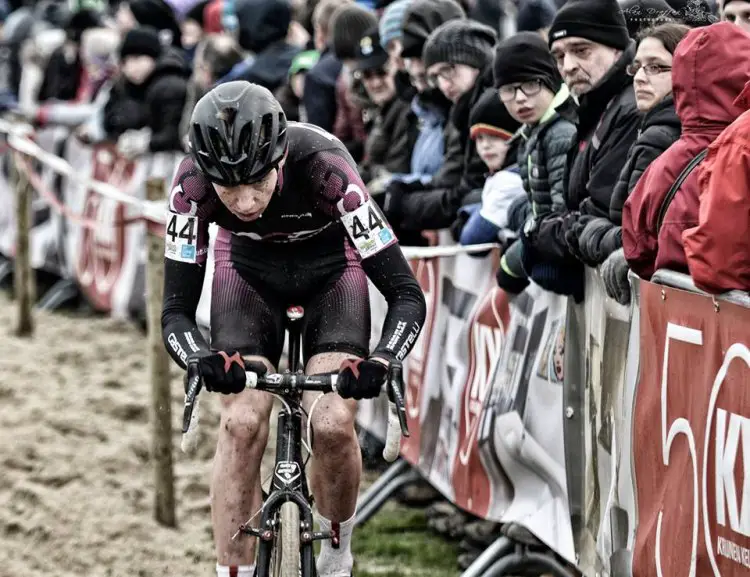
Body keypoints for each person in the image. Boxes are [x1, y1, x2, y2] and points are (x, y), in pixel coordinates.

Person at [161, 80, 426, 577]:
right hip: (247, 273)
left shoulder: (327, 168)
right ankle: (231, 569)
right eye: (228, 187)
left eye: (256, 182)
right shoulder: (190, 187)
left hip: (332, 271)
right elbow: (174, 311)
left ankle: (335, 558)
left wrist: (383, 360)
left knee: (330, 423)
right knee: (240, 423)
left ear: (280, 159)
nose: (242, 202)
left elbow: (406, 295)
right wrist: (199, 357)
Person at [622, 22, 750, 281]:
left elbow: (634, 247)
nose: (640, 77)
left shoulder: (663, 162)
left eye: (657, 67)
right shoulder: (741, 143)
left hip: (672, 309)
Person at [580, 23, 688, 303]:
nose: (640, 78)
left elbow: (639, 237)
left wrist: (588, 233)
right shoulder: (650, 128)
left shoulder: (661, 138)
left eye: (656, 67)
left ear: (689, 70)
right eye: (637, 66)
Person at [492, 31, 577, 295]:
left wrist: (513, 263)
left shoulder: (560, 133)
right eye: (508, 89)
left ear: (551, 80)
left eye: (530, 85)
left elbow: (560, 213)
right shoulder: (532, 131)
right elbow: (537, 208)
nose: (519, 98)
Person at [102, 26, 189, 156]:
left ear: (153, 57)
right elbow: (111, 117)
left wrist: (146, 143)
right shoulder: (127, 84)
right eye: (125, 62)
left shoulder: (170, 86)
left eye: (137, 59)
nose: (131, 67)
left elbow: (172, 134)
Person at [458, 88, 524, 246]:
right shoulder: (502, 175)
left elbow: (472, 238)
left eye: (495, 136)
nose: (485, 146)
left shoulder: (509, 180)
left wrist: (469, 213)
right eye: (480, 138)